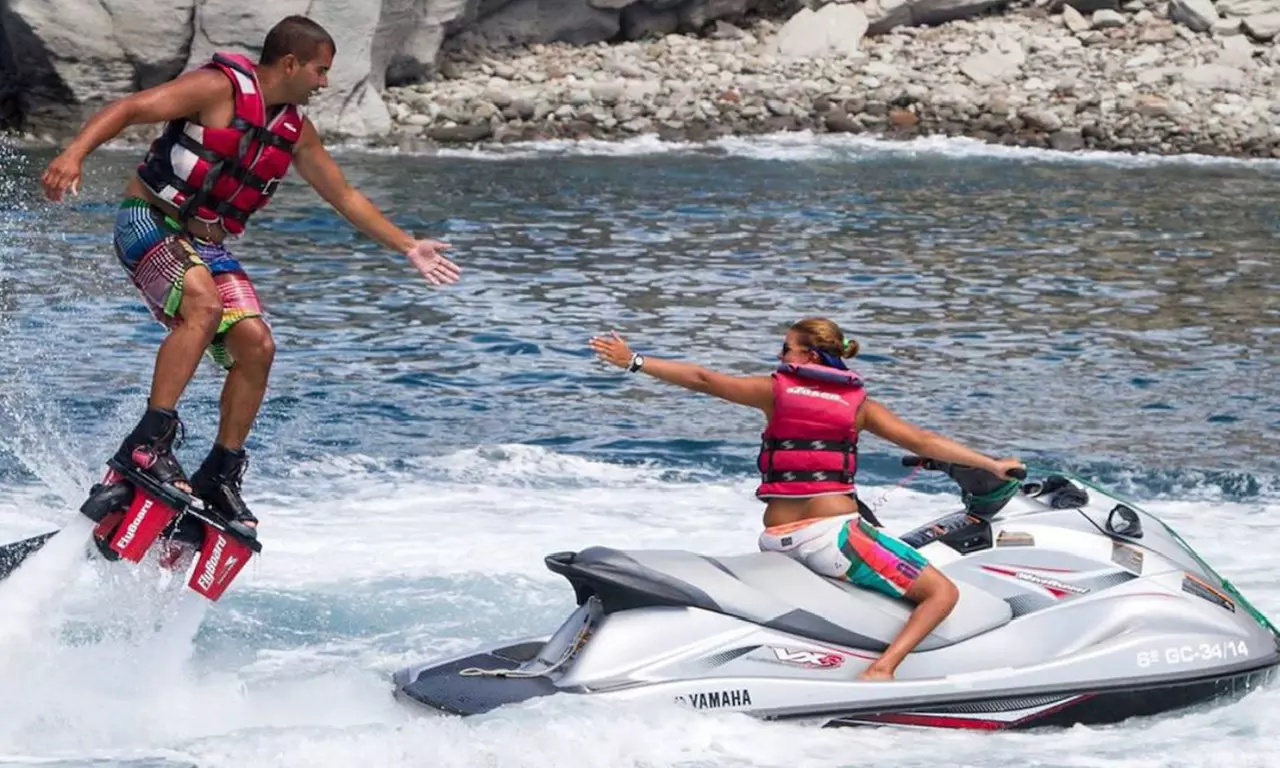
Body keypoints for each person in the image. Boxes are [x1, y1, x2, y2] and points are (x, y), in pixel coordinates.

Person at [39, 15, 460, 538]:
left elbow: (344, 195)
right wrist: (73, 154)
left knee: (256, 344)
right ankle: (148, 443)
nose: (324, 83)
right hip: (148, 220)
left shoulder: (294, 131)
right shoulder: (216, 89)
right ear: (290, 63)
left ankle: (219, 470)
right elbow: (130, 108)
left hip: (205, 245)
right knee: (203, 306)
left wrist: (408, 246)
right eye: (320, 70)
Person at [588, 318, 1024, 680]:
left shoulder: (773, 392)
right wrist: (990, 464)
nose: (780, 357)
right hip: (830, 541)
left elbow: (705, 379)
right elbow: (923, 440)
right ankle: (883, 669)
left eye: (786, 349)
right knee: (942, 594)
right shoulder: (858, 406)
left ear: (810, 356)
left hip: (778, 539)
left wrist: (636, 362)